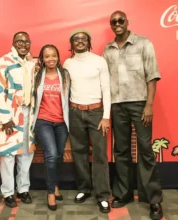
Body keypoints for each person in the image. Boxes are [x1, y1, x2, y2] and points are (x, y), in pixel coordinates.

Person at [103, 11, 163, 220]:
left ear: (127, 22)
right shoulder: (108, 50)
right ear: (111, 25)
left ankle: (153, 200)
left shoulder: (143, 44)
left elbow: (152, 75)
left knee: (146, 150)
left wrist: (149, 105)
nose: (117, 24)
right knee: (121, 150)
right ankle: (123, 193)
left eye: (121, 20)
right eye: (113, 22)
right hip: (117, 105)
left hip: (139, 104)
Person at [63, 29, 111, 213]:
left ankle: (103, 195)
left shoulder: (99, 61)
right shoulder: (68, 63)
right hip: (75, 112)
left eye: (84, 38)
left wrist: (106, 116)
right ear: (72, 43)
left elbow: (106, 89)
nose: (80, 41)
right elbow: (65, 90)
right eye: (76, 39)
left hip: (96, 112)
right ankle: (84, 189)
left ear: (89, 42)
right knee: (79, 152)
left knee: (99, 154)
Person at [0, 32, 36, 208]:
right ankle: (8, 192)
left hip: (28, 114)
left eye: (26, 41)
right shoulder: (3, 62)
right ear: (13, 43)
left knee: (26, 153)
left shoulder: (32, 63)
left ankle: (23, 189)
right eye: (19, 41)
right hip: (10, 115)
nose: (23, 44)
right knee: (8, 156)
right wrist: (5, 118)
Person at [32, 44, 70, 211]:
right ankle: (50, 193)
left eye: (53, 55)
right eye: (47, 56)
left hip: (62, 122)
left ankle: (55, 185)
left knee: (59, 155)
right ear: (42, 59)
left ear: (58, 57)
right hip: (43, 121)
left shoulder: (65, 75)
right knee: (51, 155)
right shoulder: (37, 76)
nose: (51, 59)